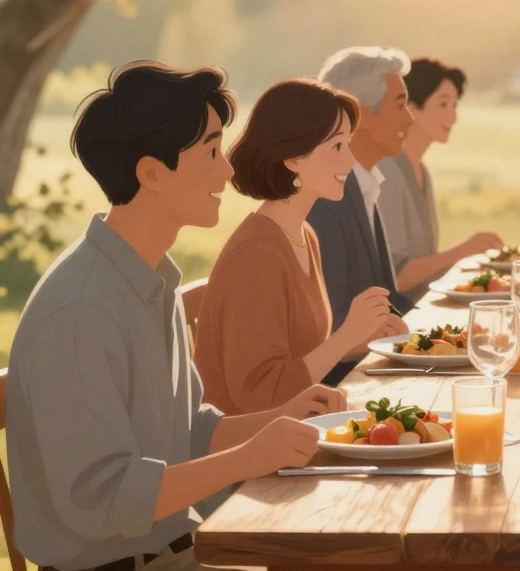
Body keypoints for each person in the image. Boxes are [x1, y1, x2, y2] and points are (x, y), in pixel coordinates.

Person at [6, 62, 343, 571]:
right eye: (210, 151)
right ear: (151, 173)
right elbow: (105, 498)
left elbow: (186, 432)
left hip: (177, 554)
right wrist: (252, 456)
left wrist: (283, 415)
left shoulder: (147, 280)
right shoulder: (80, 312)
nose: (228, 170)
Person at [195, 79, 407, 414]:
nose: (350, 161)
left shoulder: (303, 234)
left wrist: (359, 338)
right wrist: (346, 334)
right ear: (293, 158)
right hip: (252, 452)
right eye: (338, 147)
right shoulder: (257, 255)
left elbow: (301, 360)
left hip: (290, 431)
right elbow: (262, 395)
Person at [307, 46, 416, 385]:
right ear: (361, 115)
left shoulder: (364, 184)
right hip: (342, 389)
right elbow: (328, 325)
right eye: (400, 104)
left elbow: (390, 300)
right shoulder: (325, 201)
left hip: (371, 373)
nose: (410, 118)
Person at [377, 57, 503, 303]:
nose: (453, 117)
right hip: (396, 321)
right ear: (410, 107)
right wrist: (464, 250)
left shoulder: (421, 170)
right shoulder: (386, 171)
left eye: (455, 105)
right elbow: (395, 277)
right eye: (443, 104)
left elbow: (426, 266)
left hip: (423, 307)